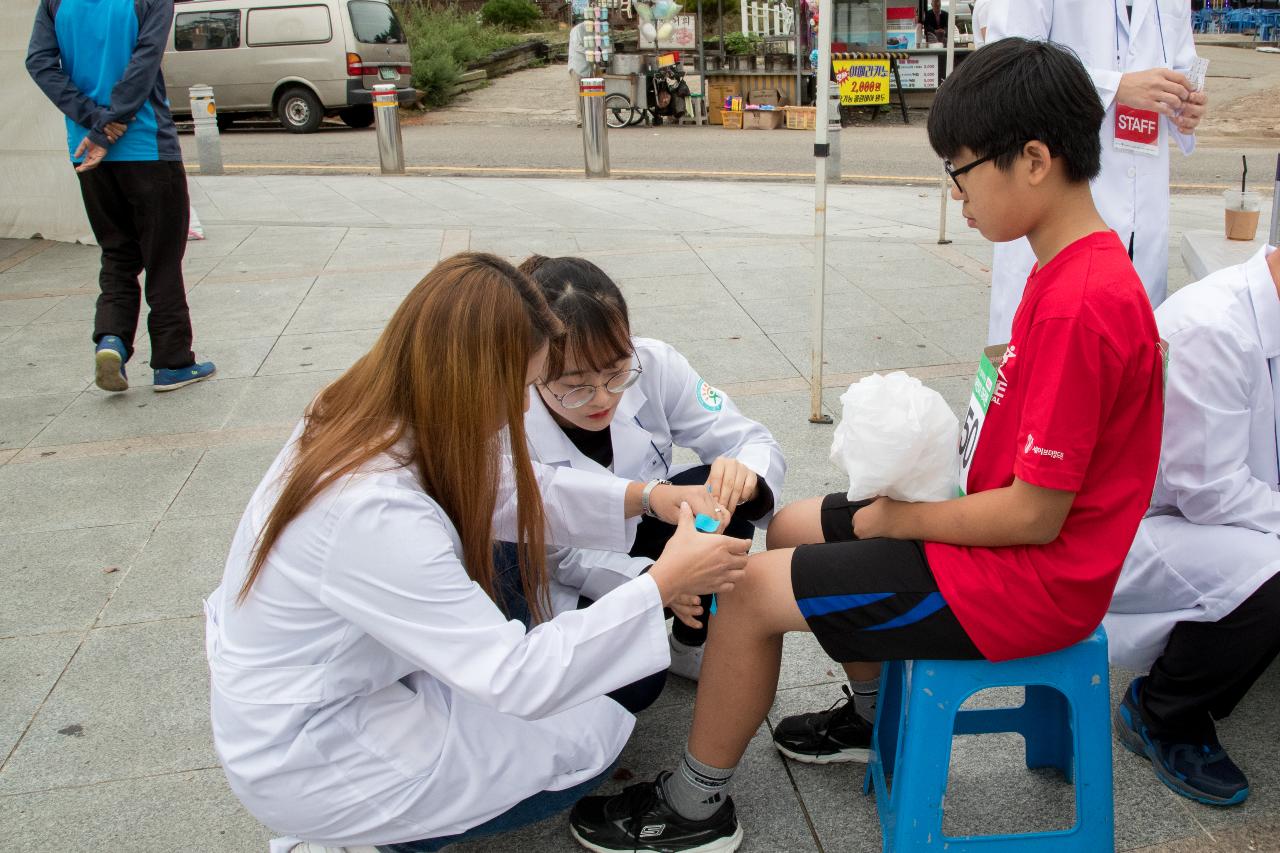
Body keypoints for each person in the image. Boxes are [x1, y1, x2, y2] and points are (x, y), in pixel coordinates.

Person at [566, 38, 1164, 851]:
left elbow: (1032, 515)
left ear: (1033, 159)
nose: (956, 194)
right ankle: (871, 714)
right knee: (799, 520)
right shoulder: (1066, 270)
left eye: (960, 169)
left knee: (747, 590)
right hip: (997, 546)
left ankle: (694, 807)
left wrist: (898, 520)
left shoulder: (1079, 303)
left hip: (1023, 582)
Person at [204, 253, 749, 853]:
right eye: (522, 388)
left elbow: (509, 488)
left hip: (336, 687)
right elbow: (513, 677)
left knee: (593, 700)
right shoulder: (368, 510)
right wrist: (662, 583)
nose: (522, 409)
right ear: (475, 379)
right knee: (586, 740)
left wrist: (648, 497)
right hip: (312, 753)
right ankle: (364, 842)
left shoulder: (364, 407)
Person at [517, 255, 786, 684]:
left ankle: (690, 641)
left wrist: (746, 477)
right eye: (574, 386)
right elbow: (553, 553)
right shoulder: (511, 417)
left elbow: (747, 439)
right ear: (533, 367)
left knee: (718, 491)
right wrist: (654, 582)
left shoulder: (655, 362)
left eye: (616, 372)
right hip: (571, 560)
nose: (603, 398)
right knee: (637, 686)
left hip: (652, 518)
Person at [1105, 243, 1280, 808]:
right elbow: (1210, 492)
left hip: (1203, 512)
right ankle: (1163, 712)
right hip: (1139, 531)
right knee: (1275, 575)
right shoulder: (1215, 328)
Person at [983, 0, 1208, 345]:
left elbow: (1181, 64)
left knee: (1127, 359)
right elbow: (1008, 64)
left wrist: (1186, 105)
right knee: (1046, 359)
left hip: (1144, 214)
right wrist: (1115, 86)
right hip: (1061, 197)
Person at [25, 0, 216, 393]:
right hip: (145, 145)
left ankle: (111, 339)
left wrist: (92, 122)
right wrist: (111, 121)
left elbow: (40, 63)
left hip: (86, 152)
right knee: (162, 258)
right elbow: (144, 64)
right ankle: (172, 362)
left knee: (116, 252)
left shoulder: (55, 3)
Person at [568, 19, 591, 128]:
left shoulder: (592, 31)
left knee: (587, 94)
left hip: (587, 66)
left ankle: (588, 116)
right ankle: (580, 119)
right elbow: (577, 46)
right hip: (577, 66)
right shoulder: (577, 30)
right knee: (578, 94)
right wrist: (591, 52)